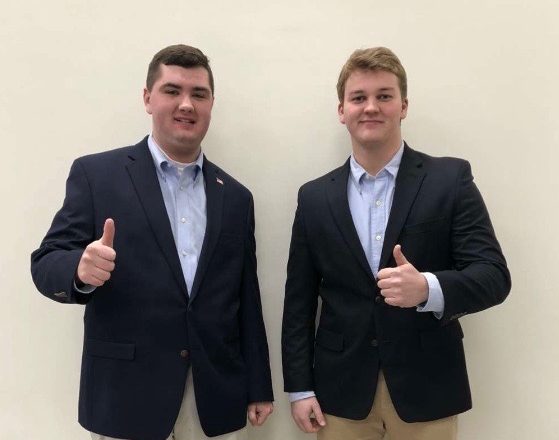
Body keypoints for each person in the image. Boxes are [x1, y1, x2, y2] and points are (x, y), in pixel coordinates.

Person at [31, 44, 273, 440]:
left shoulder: (235, 196)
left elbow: (246, 297)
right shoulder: (97, 175)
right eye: (172, 91)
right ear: (147, 98)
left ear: (212, 103)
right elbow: (45, 262)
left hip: (213, 398)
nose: (186, 105)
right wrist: (79, 269)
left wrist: (258, 386)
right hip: (125, 394)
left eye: (199, 94)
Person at [281, 47, 511, 440]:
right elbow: (299, 301)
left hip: (428, 387)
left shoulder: (449, 179)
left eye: (384, 96)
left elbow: (493, 276)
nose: (371, 107)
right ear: (342, 110)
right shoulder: (314, 197)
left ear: (403, 106)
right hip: (341, 394)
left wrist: (428, 288)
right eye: (358, 98)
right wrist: (300, 388)